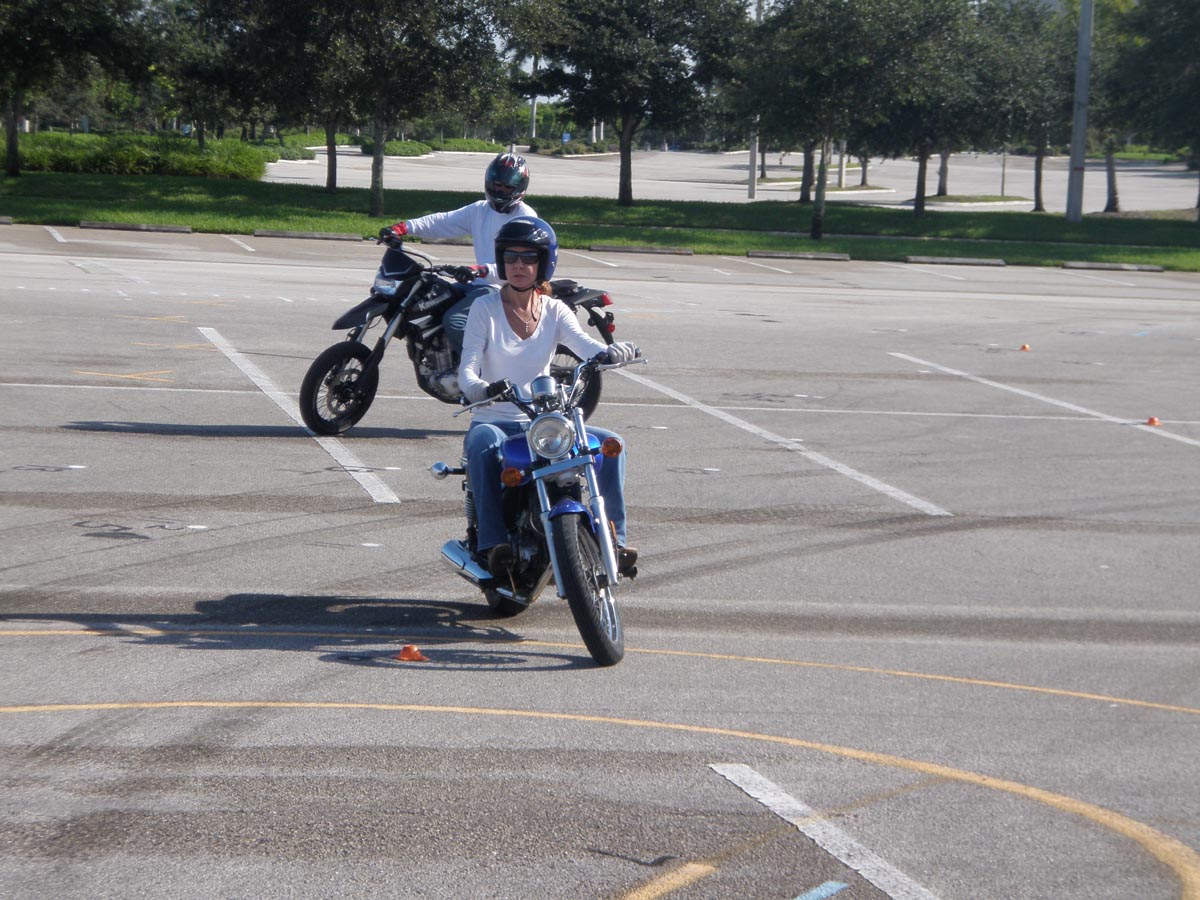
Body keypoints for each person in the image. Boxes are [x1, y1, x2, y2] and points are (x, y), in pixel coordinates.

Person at [457, 216, 641, 578]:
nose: (519, 265)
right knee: (480, 443)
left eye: (528, 257)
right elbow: (467, 370)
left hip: (543, 422)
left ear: (544, 263)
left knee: (611, 445)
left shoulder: (555, 310)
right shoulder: (484, 309)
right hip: (496, 418)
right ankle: (493, 544)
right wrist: (482, 390)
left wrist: (612, 352)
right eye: (510, 257)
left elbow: (586, 346)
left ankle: (614, 539)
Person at [381, 152, 535, 355]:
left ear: (519, 188)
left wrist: (482, 270)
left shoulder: (525, 218)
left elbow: (521, 266)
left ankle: (484, 371)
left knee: (455, 321)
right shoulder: (480, 210)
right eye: (497, 184)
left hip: (505, 290)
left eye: (507, 187)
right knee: (428, 304)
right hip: (479, 284)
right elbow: (442, 221)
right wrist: (402, 228)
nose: (500, 190)